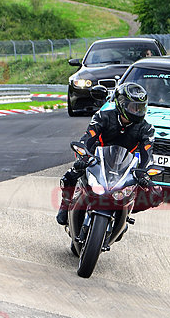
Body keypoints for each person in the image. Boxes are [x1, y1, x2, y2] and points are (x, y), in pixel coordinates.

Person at [57, 82, 163, 225]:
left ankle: (126, 213)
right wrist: (84, 155)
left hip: (124, 165)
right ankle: (65, 203)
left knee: (155, 194)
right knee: (72, 173)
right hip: (96, 158)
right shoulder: (103, 116)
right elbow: (88, 136)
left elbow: (147, 153)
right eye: (133, 107)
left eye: (140, 107)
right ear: (121, 104)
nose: (137, 111)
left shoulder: (146, 129)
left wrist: (144, 173)